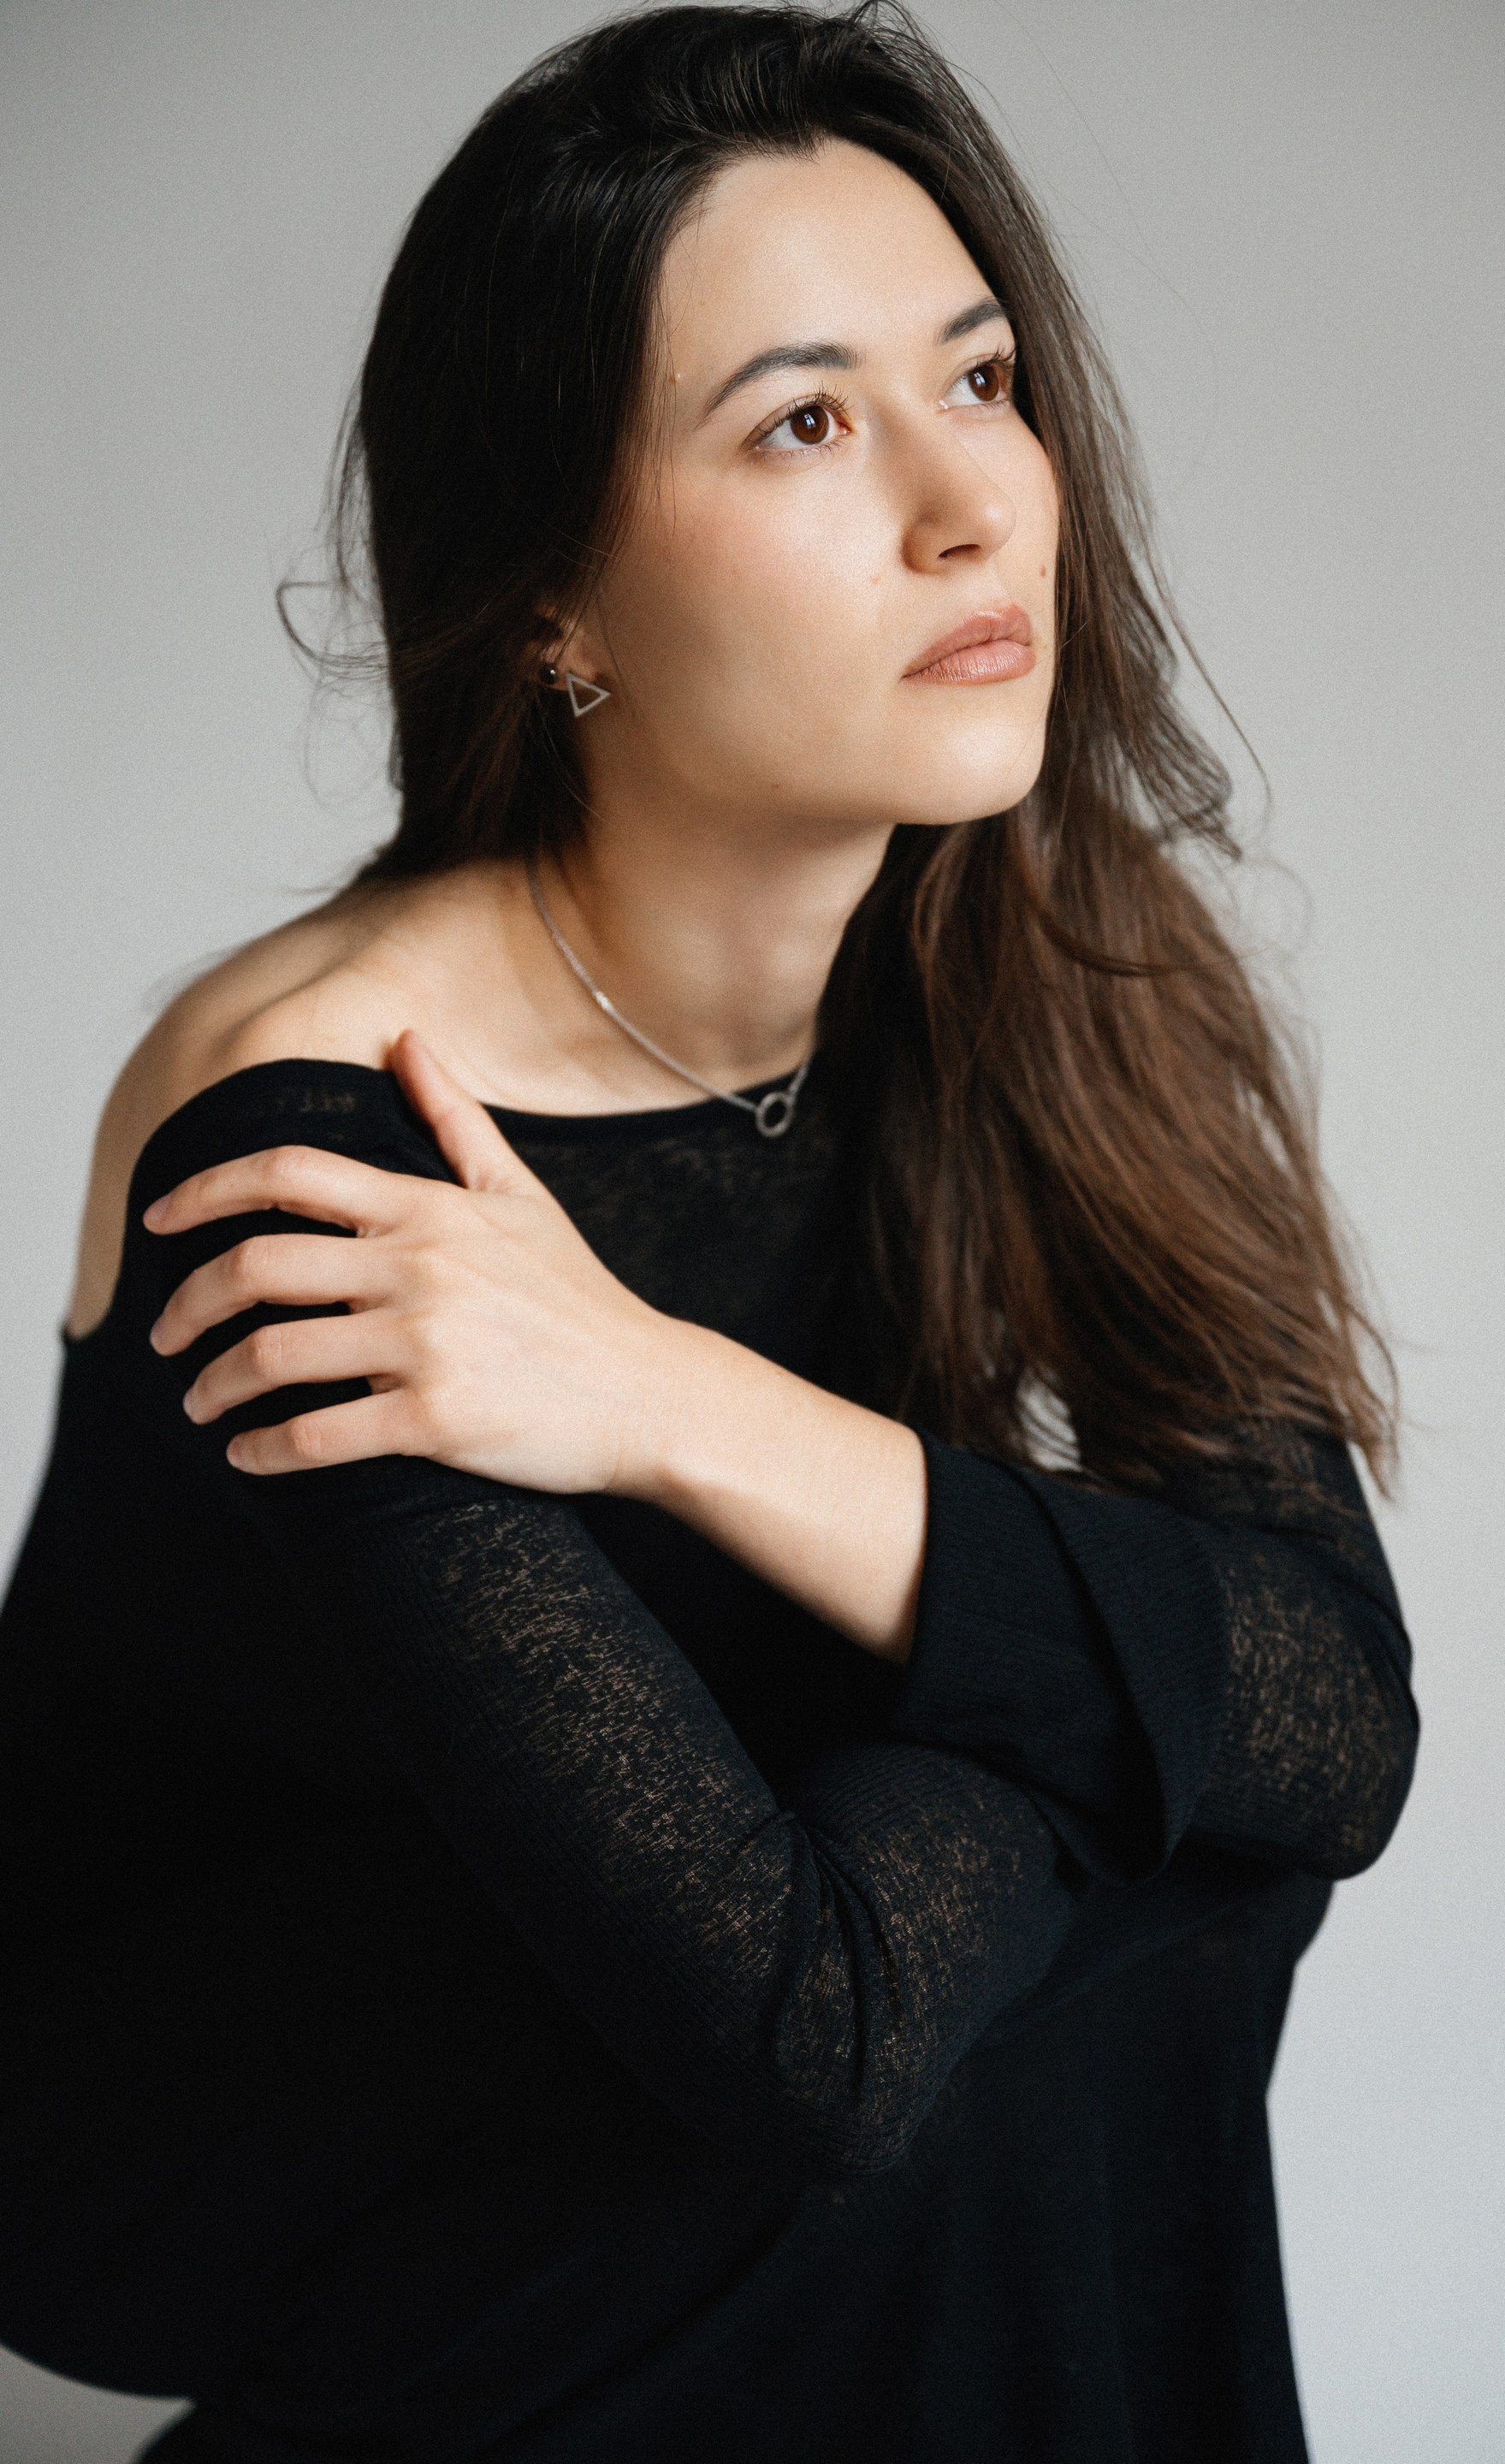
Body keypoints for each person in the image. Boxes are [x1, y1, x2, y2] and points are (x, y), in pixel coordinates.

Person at [0, 7, 1418, 2458]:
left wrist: (670, 1402)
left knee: (1116, 1936)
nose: (969, 506)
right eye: (802, 425)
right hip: (344, 2183)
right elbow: (815, 2031)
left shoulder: (1066, 959)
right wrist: (1136, 1712)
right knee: (1093, 1932)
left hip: (756, 2101)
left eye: (978, 380)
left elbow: (1351, 1726)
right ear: (557, 595)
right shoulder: (322, 1142)